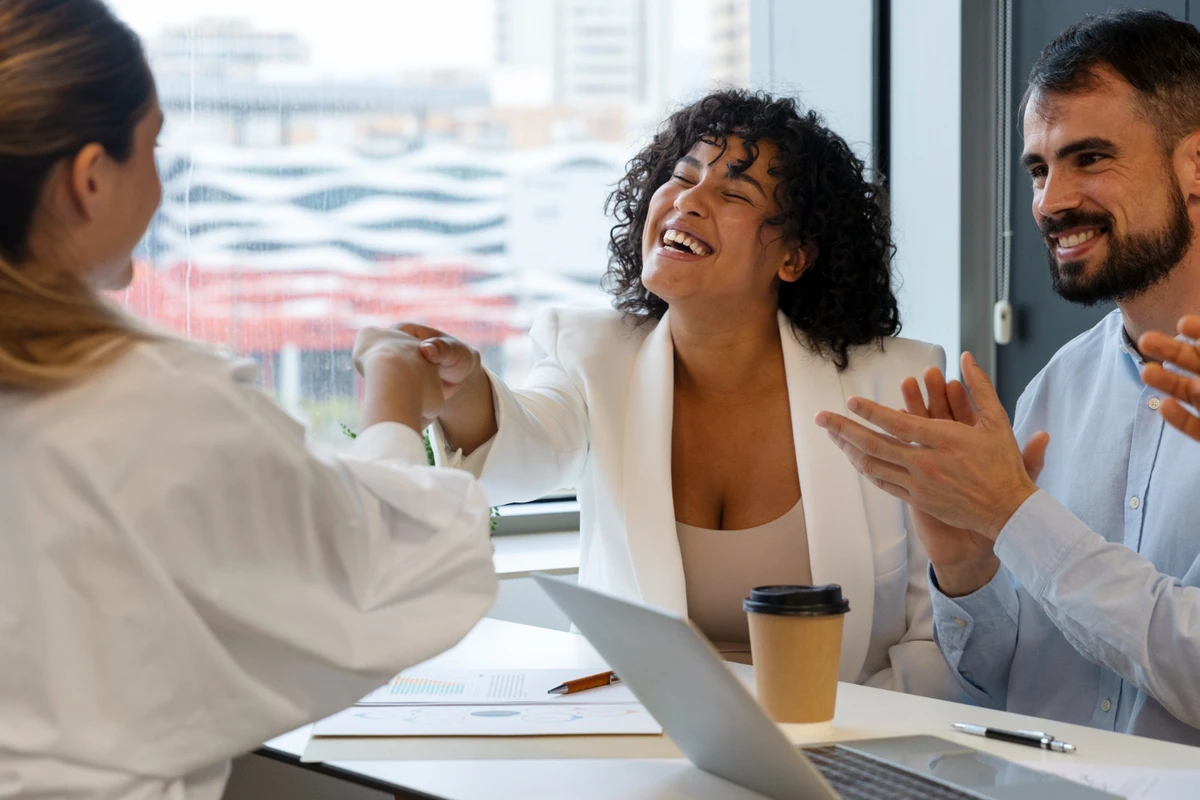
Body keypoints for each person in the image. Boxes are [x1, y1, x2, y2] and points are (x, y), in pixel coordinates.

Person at [0, 1, 497, 797]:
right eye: (153, 147)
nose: (161, 184)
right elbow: (390, 572)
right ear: (90, 178)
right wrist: (394, 404)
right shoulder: (148, 405)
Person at [399, 89, 966, 699]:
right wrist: (460, 392)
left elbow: (932, 630)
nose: (688, 201)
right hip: (641, 731)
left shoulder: (898, 385)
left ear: (794, 257)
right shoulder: (590, 350)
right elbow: (529, 445)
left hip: (837, 737)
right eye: (682, 177)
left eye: (733, 193)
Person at [816, 9, 1200, 744]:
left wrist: (1016, 516)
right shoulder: (1058, 389)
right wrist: (968, 571)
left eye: (1090, 158)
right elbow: (1003, 682)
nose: (1049, 201)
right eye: (1038, 167)